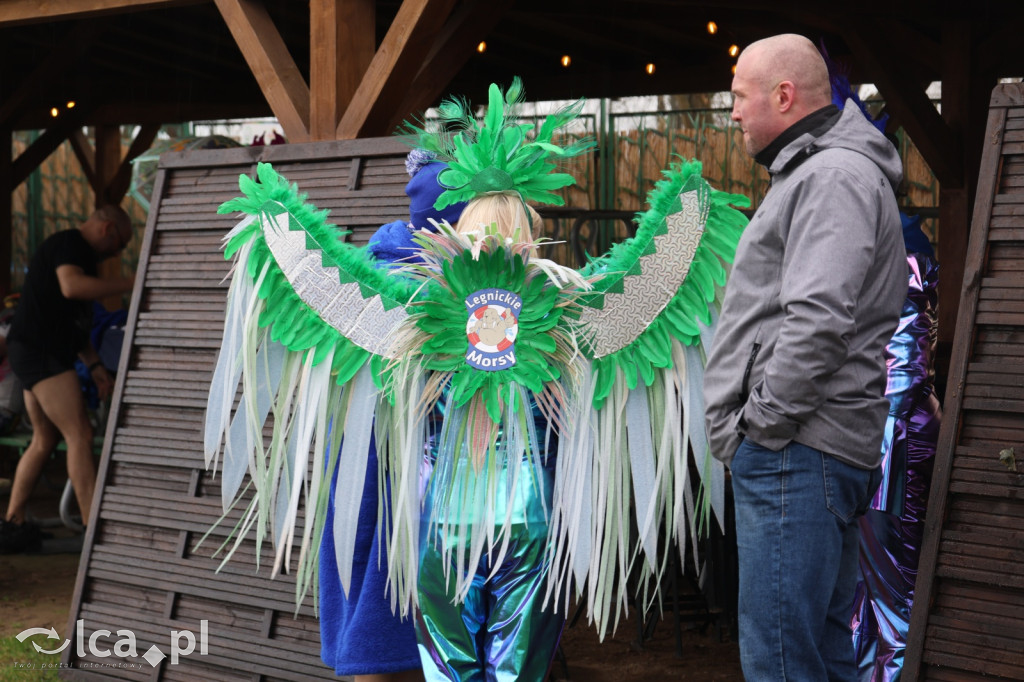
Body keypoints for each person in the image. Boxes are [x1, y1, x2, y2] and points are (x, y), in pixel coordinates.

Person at [703, 33, 907, 681]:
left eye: (739, 95)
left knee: (783, 660)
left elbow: (818, 317)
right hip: (805, 452)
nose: (732, 112)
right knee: (816, 652)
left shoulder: (832, 176)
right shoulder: (819, 171)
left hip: (797, 451)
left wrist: (761, 426)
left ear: (783, 95)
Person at [318, 155, 466, 682]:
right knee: (385, 629)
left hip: (384, 474)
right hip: (393, 478)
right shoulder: (415, 291)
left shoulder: (383, 273)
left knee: (390, 626)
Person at [413, 192, 564, 681]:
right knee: (518, 669)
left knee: (449, 668)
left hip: (446, 511)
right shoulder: (561, 316)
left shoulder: (424, 317)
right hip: (527, 507)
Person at [0, 205, 134, 553]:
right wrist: (133, 282)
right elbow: (71, 288)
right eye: (120, 245)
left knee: (44, 439)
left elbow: (72, 324)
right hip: (40, 354)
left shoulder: (77, 253)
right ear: (108, 229)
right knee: (80, 434)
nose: (116, 254)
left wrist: (94, 366)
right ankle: (93, 530)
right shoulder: (71, 244)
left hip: (33, 351)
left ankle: (12, 523)